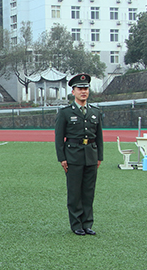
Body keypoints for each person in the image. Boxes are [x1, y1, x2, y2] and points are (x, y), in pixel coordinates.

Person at [54, 73, 103, 236]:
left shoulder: (95, 112)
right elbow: (59, 138)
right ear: (73, 91)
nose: (83, 91)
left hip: (91, 155)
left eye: (86, 89)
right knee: (75, 192)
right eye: (80, 89)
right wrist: (62, 158)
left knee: (89, 191)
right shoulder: (65, 112)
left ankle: (87, 223)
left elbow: (99, 136)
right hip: (73, 157)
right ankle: (76, 224)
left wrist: (99, 156)